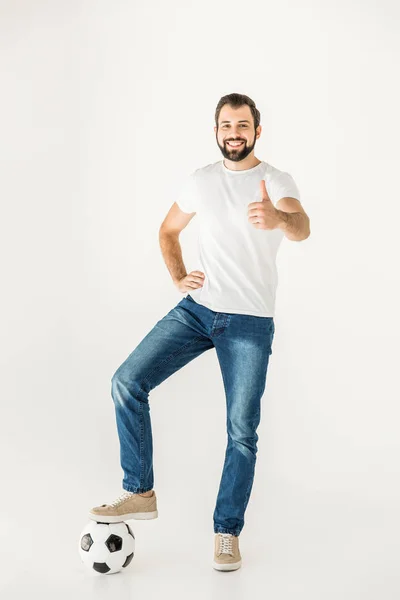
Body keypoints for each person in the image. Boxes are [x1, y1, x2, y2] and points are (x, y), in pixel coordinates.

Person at [88, 93, 311, 571]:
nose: (235, 132)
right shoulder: (200, 181)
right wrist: (177, 274)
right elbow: (168, 231)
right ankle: (139, 491)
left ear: (257, 130)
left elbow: (302, 228)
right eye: (226, 125)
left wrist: (279, 218)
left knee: (241, 432)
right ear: (216, 130)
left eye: (243, 125)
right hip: (198, 310)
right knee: (127, 381)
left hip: (249, 321)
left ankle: (226, 532)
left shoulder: (275, 180)